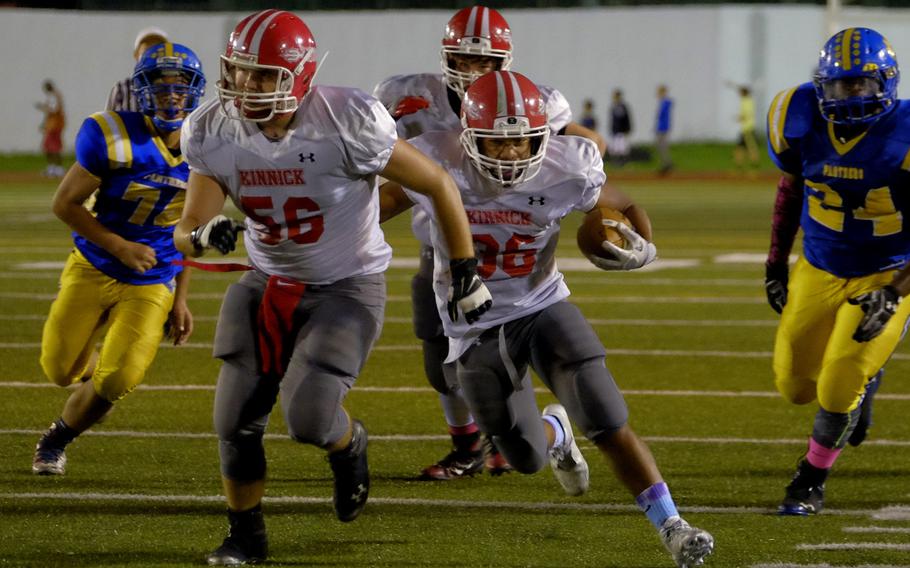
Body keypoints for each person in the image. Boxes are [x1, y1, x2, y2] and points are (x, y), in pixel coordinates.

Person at [173, 10, 491, 565]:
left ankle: (350, 445)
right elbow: (186, 232)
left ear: (298, 76)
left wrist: (464, 265)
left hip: (346, 285)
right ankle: (245, 535)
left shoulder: (347, 119)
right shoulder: (212, 127)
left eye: (264, 75)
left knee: (311, 420)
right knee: (234, 422)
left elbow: (438, 182)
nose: (247, 86)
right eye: (241, 72)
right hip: (266, 281)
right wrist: (202, 233)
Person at [380, 70, 713, 568]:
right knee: (524, 456)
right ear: (469, 136)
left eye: (524, 141)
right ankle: (556, 434)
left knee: (606, 415)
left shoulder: (568, 165)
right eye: (498, 141)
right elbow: (366, 208)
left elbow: (622, 204)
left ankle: (672, 524)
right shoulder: (434, 157)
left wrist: (642, 245)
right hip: (473, 327)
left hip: (542, 304)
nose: (513, 154)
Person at [372, 4, 605, 481]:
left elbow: (585, 145)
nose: (474, 71)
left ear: (507, 61)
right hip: (440, 246)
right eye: (463, 60)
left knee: (497, 358)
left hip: (514, 252)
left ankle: (500, 439)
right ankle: (469, 444)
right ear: (445, 58)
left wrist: (550, 196)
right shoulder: (406, 97)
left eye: (486, 62)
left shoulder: (531, 100)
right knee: (442, 366)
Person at [31, 42, 206, 476]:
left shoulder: (208, 146)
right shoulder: (111, 135)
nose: (171, 97)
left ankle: (57, 439)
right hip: (94, 264)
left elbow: (192, 231)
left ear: (195, 92)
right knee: (58, 369)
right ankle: (90, 385)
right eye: (161, 87)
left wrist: (181, 298)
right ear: (142, 90)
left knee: (120, 377)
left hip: (153, 277)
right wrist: (119, 246)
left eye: (180, 88)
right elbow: (65, 204)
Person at [764, 27, 910, 516]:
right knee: (795, 386)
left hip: (886, 273)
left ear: (885, 83)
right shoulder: (796, 115)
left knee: (838, 382)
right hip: (819, 266)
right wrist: (775, 262)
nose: (846, 95)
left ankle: (809, 480)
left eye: (859, 85)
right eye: (837, 85)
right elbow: (789, 192)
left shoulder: (905, 134)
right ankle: (867, 379)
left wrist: (895, 291)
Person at [106, 26, 169, 112]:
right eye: (147, 50)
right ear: (136, 55)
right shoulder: (122, 88)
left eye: (158, 50)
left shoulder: (176, 88)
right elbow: (109, 121)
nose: (152, 55)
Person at [35, 80, 65, 178]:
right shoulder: (52, 97)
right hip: (51, 125)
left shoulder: (55, 96)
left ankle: (58, 168)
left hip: (55, 126)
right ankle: (52, 167)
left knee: (54, 147)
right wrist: (44, 124)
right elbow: (49, 113)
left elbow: (54, 110)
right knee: (48, 147)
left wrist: (42, 107)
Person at [734, 85, 760, 174]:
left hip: (748, 129)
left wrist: (739, 118)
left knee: (751, 148)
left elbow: (746, 115)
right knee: (740, 148)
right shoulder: (747, 101)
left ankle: (754, 168)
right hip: (745, 129)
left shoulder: (747, 102)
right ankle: (739, 168)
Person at [609, 88, 633, 167]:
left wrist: (628, 129)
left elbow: (627, 118)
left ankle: (623, 162)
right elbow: (612, 120)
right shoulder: (613, 107)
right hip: (615, 131)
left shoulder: (623, 107)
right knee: (615, 148)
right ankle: (616, 163)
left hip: (622, 130)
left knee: (622, 148)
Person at [655, 84, 673, 175]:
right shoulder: (662, 102)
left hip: (663, 128)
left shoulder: (665, 102)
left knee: (663, 147)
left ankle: (667, 164)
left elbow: (662, 116)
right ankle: (665, 163)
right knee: (661, 147)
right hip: (661, 127)